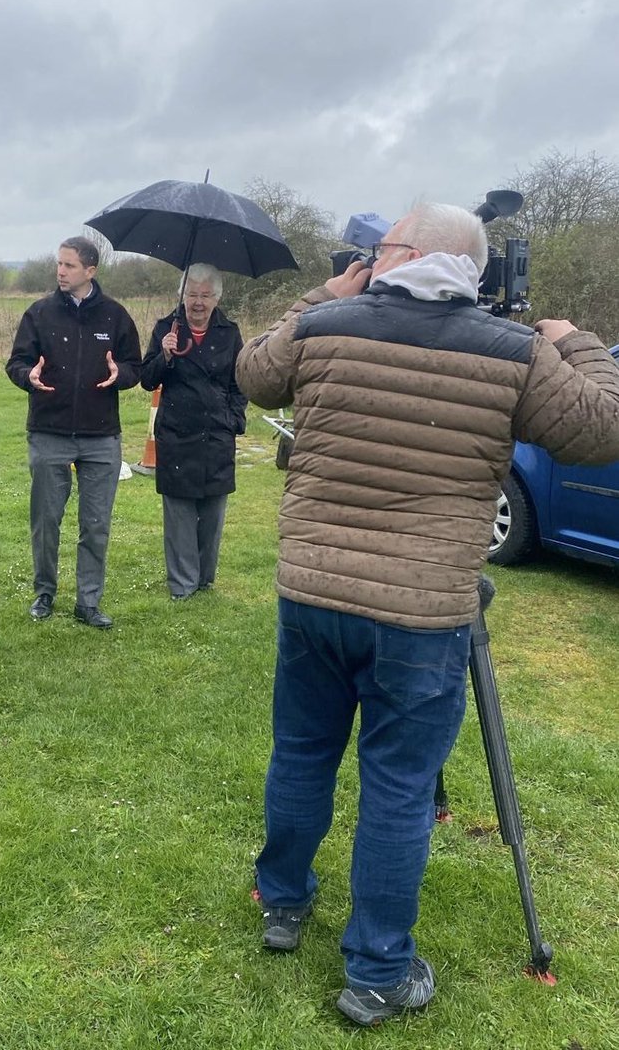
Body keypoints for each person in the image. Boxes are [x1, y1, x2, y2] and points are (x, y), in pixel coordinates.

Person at [236, 201, 619, 1026]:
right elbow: (603, 430)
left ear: (399, 255)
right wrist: (574, 341)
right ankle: (377, 971)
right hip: (421, 609)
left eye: (380, 249)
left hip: (315, 589)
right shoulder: (515, 351)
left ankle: (283, 902)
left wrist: (318, 294)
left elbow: (253, 373)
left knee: (301, 753)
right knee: (400, 787)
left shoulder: (326, 324)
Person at [5, 236, 142, 628]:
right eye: (59, 264)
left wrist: (123, 376)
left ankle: (88, 602)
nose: (60, 271)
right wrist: (27, 376)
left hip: (101, 437)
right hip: (49, 431)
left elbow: (135, 365)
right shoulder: (39, 313)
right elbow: (16, 362)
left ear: (90, 271)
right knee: (46, 519)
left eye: (69, 265)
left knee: (96, 523)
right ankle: (44, 592)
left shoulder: (115, 316)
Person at [140, 263, 247, 598]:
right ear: (182, 296)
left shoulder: (229, 332)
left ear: (216, 298)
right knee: (180, 512)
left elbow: (239, 382)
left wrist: (233, 420)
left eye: (205, 295)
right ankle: (182, 584)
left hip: (217, 432)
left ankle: (204, 579)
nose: (197, 302)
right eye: (191, 294)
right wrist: (165, 355)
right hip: (177, 431)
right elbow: (147, 379)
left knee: (213, 510)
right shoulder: (165, 329)